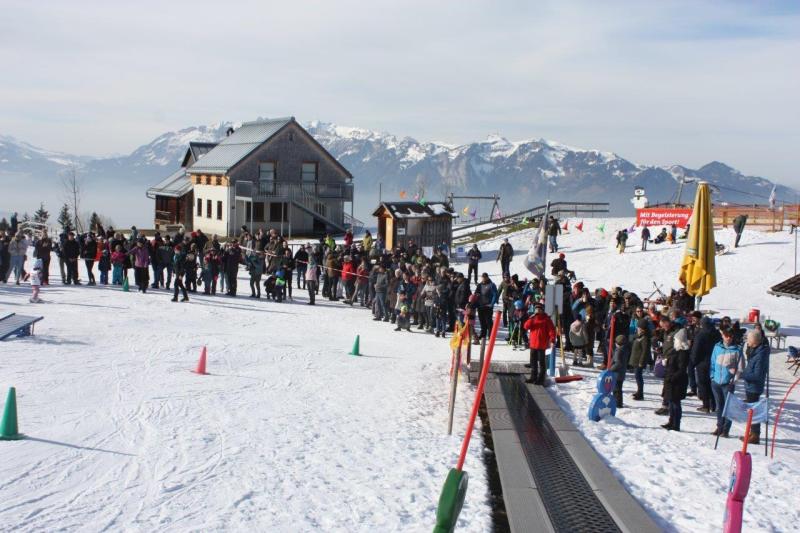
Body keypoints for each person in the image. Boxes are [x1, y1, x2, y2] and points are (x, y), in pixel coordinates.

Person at [709, 327, 744, 438]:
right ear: (722, 336)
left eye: (730, 336)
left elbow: (741, 368)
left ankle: (726, 429)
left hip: (727, 383)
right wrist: (712, 376)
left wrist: (733, 380)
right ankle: (719, 426)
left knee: (728, 407)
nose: (728, 338)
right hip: (716, 382)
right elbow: (712, 363)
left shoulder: (737, 350)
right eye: (726, 335)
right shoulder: (717, 347)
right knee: (719, 406)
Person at [740, 330, 769, 444]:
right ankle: (752, 432)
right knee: (751, 410)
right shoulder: (755, 351)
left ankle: (755, 435)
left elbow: (757, 375)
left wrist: (742, 374)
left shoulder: (760, 355)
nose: (747, 341)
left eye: (748, 339)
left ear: (754, 341)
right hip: (750, 386)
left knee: (753, 410)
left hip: (754, 387)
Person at [690, 316, 721, 413]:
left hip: (702, 362)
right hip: (715, 361)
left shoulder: (701, 334)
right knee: (712, 383)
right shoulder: (717, 334)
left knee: (703, 384)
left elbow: (696, 350)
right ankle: (714, 404)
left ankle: (706, 405)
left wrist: (693, 362)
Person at [662, 328, 690, 431]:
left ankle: (676, 424)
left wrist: (672, 378)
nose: (674, 341)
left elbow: (682, 369)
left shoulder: (683, 353)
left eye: (675, 340)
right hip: (671, 380)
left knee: (676, 403)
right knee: (671, 402)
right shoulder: (675, 351)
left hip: (677, 382)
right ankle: (671, 421)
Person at [523, 303, 556, 385]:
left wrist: (552, 340)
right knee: (533, 362)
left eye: (539, 309)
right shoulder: (533, 318)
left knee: (541, 363)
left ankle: (541, 379)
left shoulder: (546, 319)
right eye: (536, 309)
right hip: (533, 344)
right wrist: (531, 318)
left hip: (542, 345)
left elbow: (552, 331)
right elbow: (526, 326)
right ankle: (533, 377)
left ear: (542, 310)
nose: (537, 311)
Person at [629, 322, 651, 400]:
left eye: (639, 327)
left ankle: (640, 393)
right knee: (637, 376)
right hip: (635, 359)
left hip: (639, 361)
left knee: (638, 377)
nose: (637, 329)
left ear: (642, 329)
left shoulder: (645, 338)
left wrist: (641, 362)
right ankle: (639, 391)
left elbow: (645, 351)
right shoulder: (639, 336)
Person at [610, 334, 631, 407]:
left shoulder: (619, 351)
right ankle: (618, 402)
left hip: (617, 373)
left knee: (617, 389)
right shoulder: (625, 349)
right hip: (621, 373)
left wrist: (610, 369)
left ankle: (618, 403)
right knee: (618, 388)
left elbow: (618, 363)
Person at [475, 272, 497, 341]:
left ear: (487, 277)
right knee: (482, 321)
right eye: (482, 277)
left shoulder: (491, 285)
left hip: (488, 306)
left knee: (489, 322)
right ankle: (483, 334)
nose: (483, 279)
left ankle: (490, 335)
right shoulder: (480, 285)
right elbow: (476, 293)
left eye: (485, 277)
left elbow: (495, 294)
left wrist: (492, 304)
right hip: (480, 306)